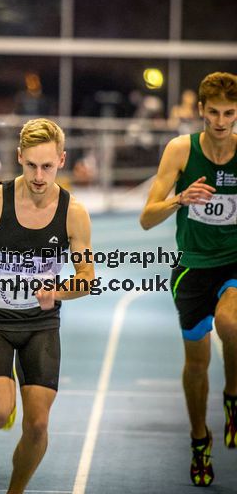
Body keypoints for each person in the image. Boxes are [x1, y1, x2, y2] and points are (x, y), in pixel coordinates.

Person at [0, 118, 95, 494]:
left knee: (38, 425)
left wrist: (57, 290)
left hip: (40, 324)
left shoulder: (74, 213)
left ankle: (15, 491)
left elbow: (87, 278)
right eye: (31, 166)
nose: (39, 176)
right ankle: (4, 398)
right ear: (19, 157)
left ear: (62, 160)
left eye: (48, 166)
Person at [140, 72, 237, 487]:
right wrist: (180, 198)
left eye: (229, 113)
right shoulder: (180, 151)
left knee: (230, 323)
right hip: (192, 268)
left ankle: (233, 394)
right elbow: (146, 218)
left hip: (233, 262)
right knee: (195, 365)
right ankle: (200, 439)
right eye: (213, 112)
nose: (220, 121)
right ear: (200, 111)